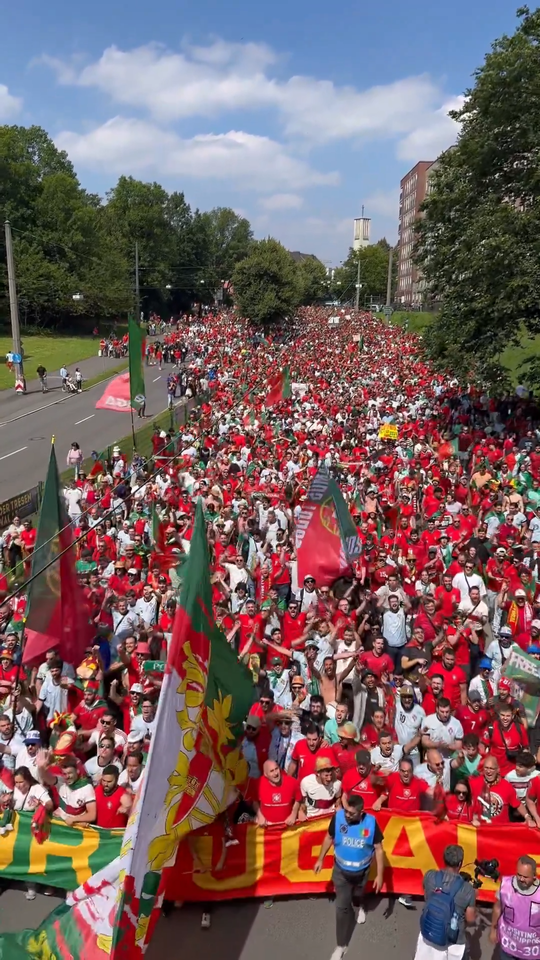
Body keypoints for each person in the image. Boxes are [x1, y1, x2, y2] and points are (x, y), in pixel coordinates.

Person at [314, 794, 384, 960]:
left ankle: (360, 906)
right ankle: (340, 946)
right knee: (341, 909)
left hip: (362, 873)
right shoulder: (338, 818)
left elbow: (379, 850)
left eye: (351, 814)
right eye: (346, 811)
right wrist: (320, 858)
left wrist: (379, 876)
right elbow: (329, 838)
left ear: (361, 812)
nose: (347, 816)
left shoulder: (371, 823)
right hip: (341, 873)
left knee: (358, 896)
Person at [413, 844, 476, 960]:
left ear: (444, 860)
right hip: (453, 942)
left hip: (428, 931)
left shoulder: (430, 876)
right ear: (460, 864)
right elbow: (470, 919)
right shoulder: (467, 889)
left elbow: (427, 898)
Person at [490, 856, 540, 959]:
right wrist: (493, 929)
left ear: (534, 876)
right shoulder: (506, 886)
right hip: (508, 947)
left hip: (531, 952)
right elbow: (498, 907)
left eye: (525, 877)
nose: (521, 879)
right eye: (519, 875)